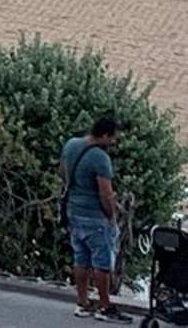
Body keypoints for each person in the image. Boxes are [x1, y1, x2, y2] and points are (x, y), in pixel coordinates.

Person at [62, 113, 127, 320]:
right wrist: (111, 215)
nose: (114, 142)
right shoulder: (100, 158)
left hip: (73, 211)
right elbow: (105, 194)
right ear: (105, 136)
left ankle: (82, 302)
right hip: (95, 217)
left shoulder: (71, 145)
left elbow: (62, 171)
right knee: (102, 263)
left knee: (80, 258)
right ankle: (104, 306)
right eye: (113, 138)